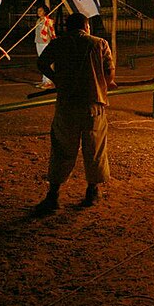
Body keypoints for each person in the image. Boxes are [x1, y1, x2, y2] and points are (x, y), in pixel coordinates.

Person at [33, 13, 116, 215]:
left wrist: (57, 79)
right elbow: (109, 71)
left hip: (67, 104)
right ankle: (92, 191)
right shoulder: (100, 43)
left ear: (68, 28)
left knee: (62, 147)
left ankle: (53, 195)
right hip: (92, 105)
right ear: (86, 27)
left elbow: (41, 63)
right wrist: (103, 83)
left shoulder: (58, 44)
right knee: (94, 148)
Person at [34, 5, 56, 88]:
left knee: (46, 61)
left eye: (40, 11)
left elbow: (52, 32)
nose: (38, 12)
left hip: (45, 42)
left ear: (45, 12)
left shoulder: (48, 21)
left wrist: (53, 42)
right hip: (38, 42)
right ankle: (44, 81)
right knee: (41, 61)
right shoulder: (38, 20)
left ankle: (48, 81)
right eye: (38, 10)